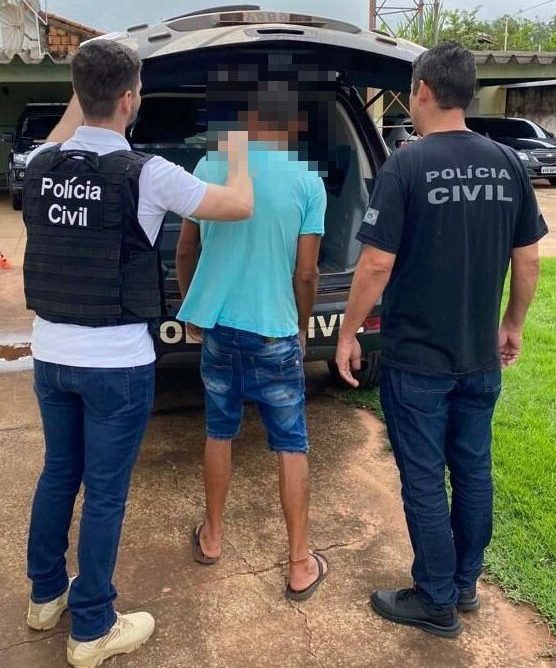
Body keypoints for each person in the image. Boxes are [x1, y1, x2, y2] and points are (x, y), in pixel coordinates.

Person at [23, 39, 253, 668]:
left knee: (58, 474)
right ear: (130, 100)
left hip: (51, 356)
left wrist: (88, 83)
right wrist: (238, 147)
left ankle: (45, 597)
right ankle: (93, 626)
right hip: (116, 365)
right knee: (104, 493)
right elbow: (238, 205)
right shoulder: (148, 173)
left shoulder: (39, 163)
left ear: (80, 93)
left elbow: (67, 129)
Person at [336, 43, 547, 638]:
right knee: (473, 471)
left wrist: (349, 331)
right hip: (480, 357)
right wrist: (513, 324)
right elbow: (528, 258)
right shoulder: (508, 163)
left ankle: (435, 599)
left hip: (418, 361)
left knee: (425, 477)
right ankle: (463, 584)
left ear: (422, 90)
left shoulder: (407, 165)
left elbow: (376, 264)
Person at [176, 84, 329, 600]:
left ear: (248, 121)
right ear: (292, 128)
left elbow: (186, 251)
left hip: (219, 327)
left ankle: (213, 537)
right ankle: (299, 564)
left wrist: (193, 307)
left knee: (219, 430)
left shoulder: (209, 167)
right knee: (291, 443)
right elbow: (306, 273)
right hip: (275, 330)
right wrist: (301, 326)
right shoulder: (308, 181)